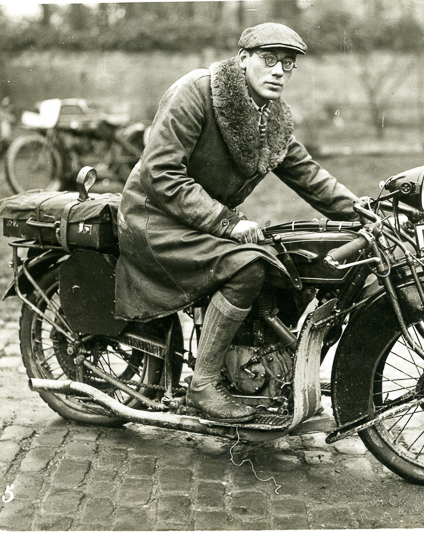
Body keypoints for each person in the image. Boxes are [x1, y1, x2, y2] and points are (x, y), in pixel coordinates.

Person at [114, 23, 358, 422]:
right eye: (269, 60)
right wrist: (225, 221)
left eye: (288, 63)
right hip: (153, 219)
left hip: (197, 222)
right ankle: (203, 384)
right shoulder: (195, 92)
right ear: (242, 59)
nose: (279, 71)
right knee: (248, 267)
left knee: (289, 262)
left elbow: (307, 174)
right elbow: (161, 173)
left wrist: (361, 210)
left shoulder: (272, 117)